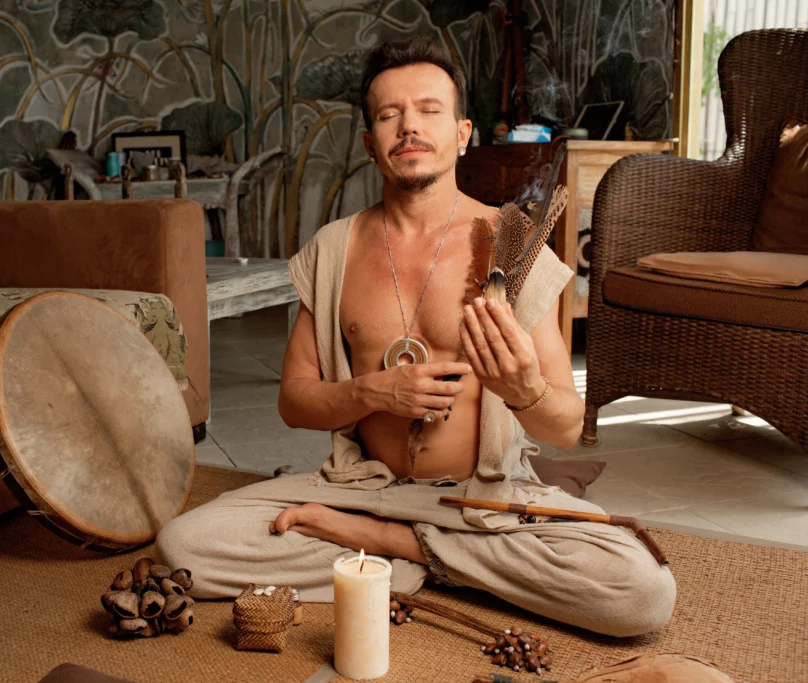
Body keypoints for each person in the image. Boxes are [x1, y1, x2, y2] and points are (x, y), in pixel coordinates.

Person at [157, 37, 676, 637]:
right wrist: (376, 393)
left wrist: (523, 389)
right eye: (388, 115)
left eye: (429, 110)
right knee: (186, 545)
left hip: (484, 501)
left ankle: (385, 548)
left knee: (639, 592)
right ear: (369, 143)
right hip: (363, 488)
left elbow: (563, 426)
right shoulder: (334, 250)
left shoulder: (513, 241)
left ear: (461, 133)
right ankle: (438, 559)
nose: (409, 127)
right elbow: (294, 401)